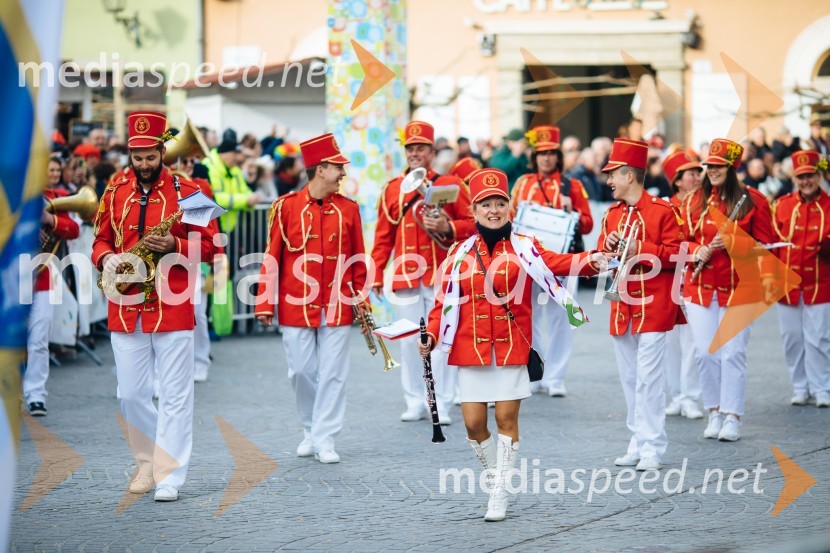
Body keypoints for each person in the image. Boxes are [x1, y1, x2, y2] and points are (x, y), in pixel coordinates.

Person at [419, 168, 609, 521]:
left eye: (500, 203)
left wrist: (591, 260)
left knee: (506, 417)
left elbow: (558, 263)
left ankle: (500, 490)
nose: (494, 210)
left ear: (511, 207)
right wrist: (431, 334)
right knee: (474, 426)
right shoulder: (459, 253)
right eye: (486, 204)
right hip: (470, 348)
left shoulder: (525, 246)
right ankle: (497, 476)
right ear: (474, 211)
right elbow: (442, 302)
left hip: (509, 347)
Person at [91, 111, 216, 502]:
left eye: (150, 156)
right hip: (126, 303)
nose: (143, 164)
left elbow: (213, 245)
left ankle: (169, 475)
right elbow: (99, 240)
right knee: (130, 393)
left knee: (176, 394)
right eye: (136, 157)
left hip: (173, 304)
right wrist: (106, 258)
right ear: (129, 153)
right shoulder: (114, 190)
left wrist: (177, 246)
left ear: (163, 150)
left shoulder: (191, 190)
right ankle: (146, 460)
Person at [255, 133, 367, 464]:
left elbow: (358, 258)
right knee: (300, 371)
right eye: (338, 168)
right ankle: (309, 428)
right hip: (295, 301)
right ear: (321, 169)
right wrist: (265, 301)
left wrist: (361, 298)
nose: (343, 174)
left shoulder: (349, 210)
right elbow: (271, 256)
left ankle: (326, 436)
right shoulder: (285, 207)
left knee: (334, 372)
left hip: (337, 302)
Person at [371, 121, 475, 425]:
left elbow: (473, 224)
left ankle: (442, 403)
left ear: (431, 151)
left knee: (442, 338)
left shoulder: (450, 183)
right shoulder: (392, 189)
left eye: (421, 148)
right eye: (410, 148)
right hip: (407, 274)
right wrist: (376, 272)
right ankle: (415, 400)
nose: (415, 153)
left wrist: (448, 227)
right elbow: (382, 236)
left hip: (443, 272)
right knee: (407, 339)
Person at [598, 138, 686, 471]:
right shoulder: (612, 214)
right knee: (630, 378)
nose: (608, 182)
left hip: (656, 303)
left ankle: (652, 446)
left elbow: (678, 255)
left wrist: (641, 247)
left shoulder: (663, 211)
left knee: (649, 377)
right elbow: (603, 256)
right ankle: (637, 439)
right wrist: (608, 245)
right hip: (622, 303)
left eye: (613, 175)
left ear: (629, 176)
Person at [681, 138, 776, 442]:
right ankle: (714, 410)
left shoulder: (754, 201)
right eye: (709, 165)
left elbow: (770, 245)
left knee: (733, 352)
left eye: (719, 166)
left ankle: (733, 416)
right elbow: (679, 240)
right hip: (699, 286)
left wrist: (738, 244)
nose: (712, 171)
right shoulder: (693, 201)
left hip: (740, 286)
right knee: (705, 352)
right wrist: (698, 250)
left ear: (732, 168)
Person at [510, 125, 594, 397]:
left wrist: (573, 213)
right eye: (541, 153)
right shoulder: (523, 183)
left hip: (562, 261)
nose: (546, 158)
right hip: (529, 261)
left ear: (558, 156)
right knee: (528, 317)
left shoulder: (573, 185)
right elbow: (511, 216)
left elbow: (589, 223)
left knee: (561, 318)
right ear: (535, 156)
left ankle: (556, 376)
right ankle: (536, 371)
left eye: (551, 153)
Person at [771, 150, 830, 407]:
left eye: (810, 175)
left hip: (822, 283)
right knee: (792, 338)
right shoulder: (783, 205)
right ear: (794, 178)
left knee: (819, 339)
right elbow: (771, 241)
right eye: (801, 176)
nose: (806, 181)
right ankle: (800, 386)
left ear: (818, 175)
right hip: (787, 285)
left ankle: (822, 388)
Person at [23, 171, 81, 416]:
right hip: (11, 281)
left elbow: (74, 229)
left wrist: (49, 219)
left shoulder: (51, 199)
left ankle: (36, 394)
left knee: (38, 339)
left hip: (41, 280)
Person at [661, 149, 704, 420]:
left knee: (693, 341)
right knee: (670, 342)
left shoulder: (705, 205)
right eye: (691, 173)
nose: (698, 177)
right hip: (668, 279)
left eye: (698, 172)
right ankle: (676, 394)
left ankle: (691, 396)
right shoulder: (666, 207)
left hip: (695, 278)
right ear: (677, 180)